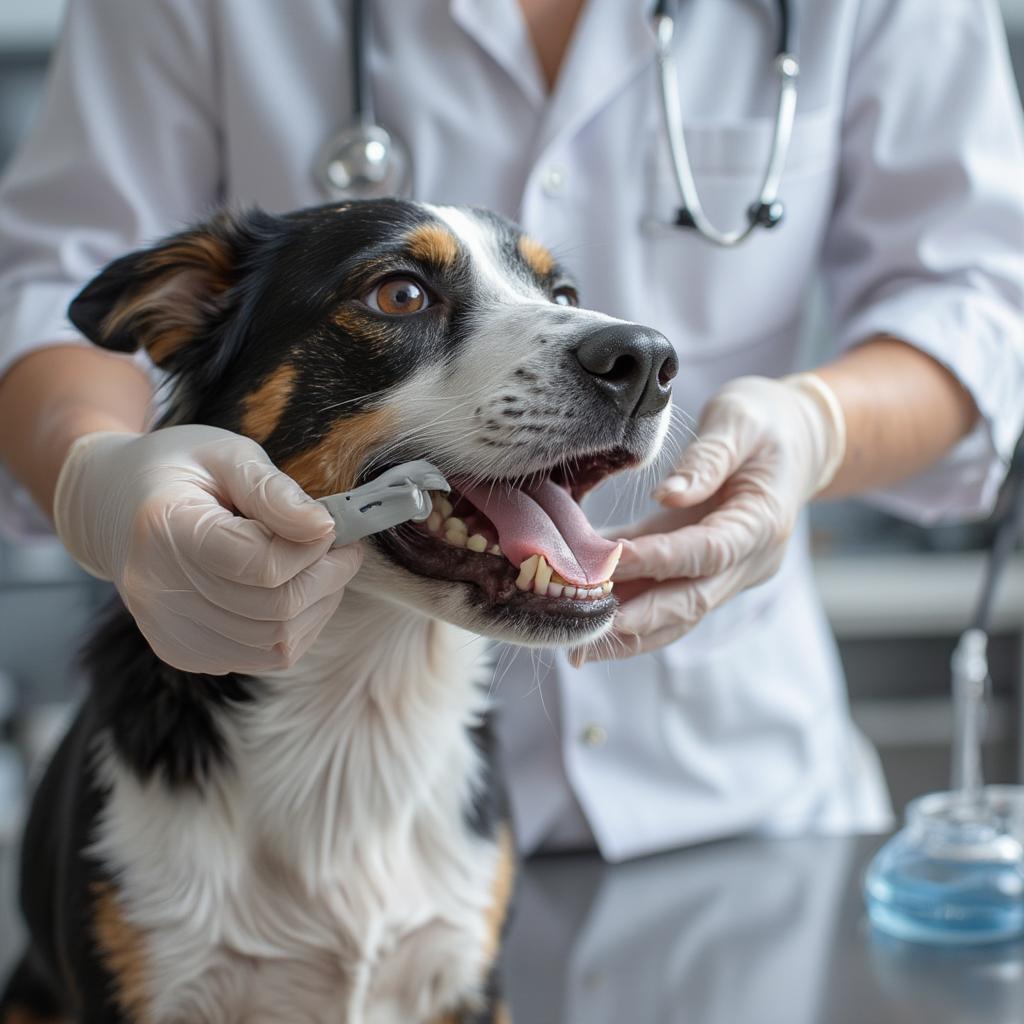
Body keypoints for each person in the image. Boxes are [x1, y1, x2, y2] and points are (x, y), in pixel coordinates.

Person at [0, 0, 1022, 861]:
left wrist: (818, 427)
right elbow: (59, 284)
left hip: (738, 798)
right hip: (254, 816)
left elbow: (979, 299)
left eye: (557, 290)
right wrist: (96, 469)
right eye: (401, 292)